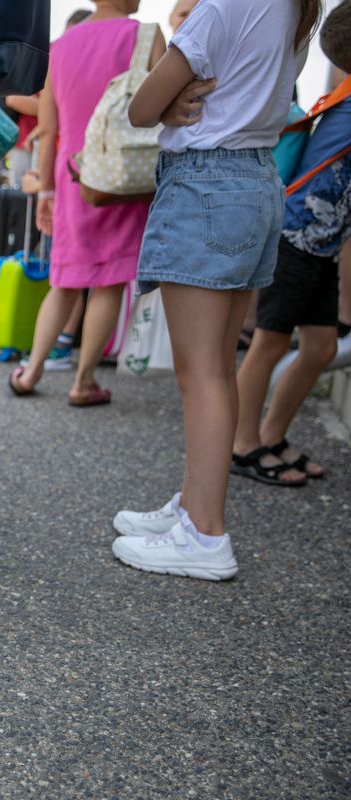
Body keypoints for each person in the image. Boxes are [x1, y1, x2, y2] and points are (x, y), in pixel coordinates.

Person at [111, 0, 321, 579]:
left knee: (200, 372)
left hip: (208, 182)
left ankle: (204, 534)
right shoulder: (297, 11)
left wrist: (171, 100)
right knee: (216, 370)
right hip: (254, 179)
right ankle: (194, 506)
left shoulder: (227, 5)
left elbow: (141, 107)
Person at [8, 1, 166, 406]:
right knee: (109, 282)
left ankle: (31, 371)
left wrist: (45, 190)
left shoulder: (59, 47)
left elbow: (49, 127)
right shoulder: (144, 35)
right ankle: (82, 381)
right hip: (121, 173)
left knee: (63, 281)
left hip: (72, 173)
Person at [232, 4, 351, 487]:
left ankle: (272, 436)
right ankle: (241, 446)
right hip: (296, 238)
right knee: (270, 342)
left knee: (320, 347)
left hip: (319, 243)